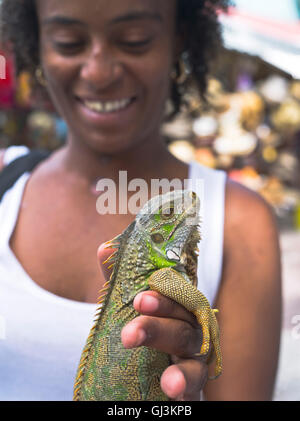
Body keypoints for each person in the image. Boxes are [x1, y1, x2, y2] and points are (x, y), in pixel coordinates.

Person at [0, 0, 281, 401]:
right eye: (69, 42)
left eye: (134, 40)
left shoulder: (241, 222)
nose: (98, 72)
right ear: (38, 45)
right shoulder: (5, 184)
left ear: (177, 39)